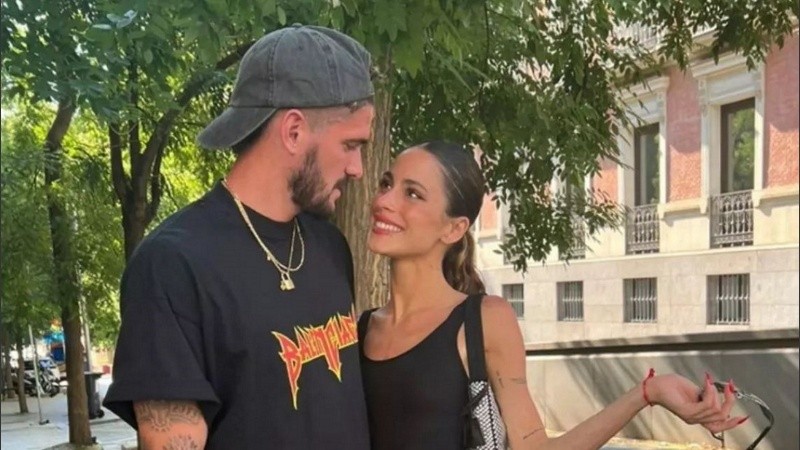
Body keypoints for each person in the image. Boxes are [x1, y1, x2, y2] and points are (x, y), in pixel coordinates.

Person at [358, 140, 747, 450]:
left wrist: (648, 392)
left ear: (454, 229)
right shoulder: (357, 329)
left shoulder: (483, 320)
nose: (384, 201)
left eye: (412, 194)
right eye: (387, 184)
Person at [104, 24, 375, 449]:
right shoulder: (172, 265)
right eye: (350, 145)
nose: (357, 169)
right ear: (294, 131)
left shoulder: (329, 246)